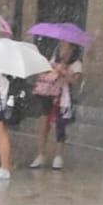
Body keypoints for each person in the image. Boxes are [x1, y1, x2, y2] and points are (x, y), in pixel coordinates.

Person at [30, 42, 84, 170]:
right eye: (61, 47)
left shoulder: (76, 64)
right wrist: (53, 69)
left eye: (66, 47)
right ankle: (40, 154)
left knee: (60, 126)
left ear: (72, 49)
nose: (63, 50)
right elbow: (46, 74)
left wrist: (64, 72)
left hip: (63, 98)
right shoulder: (53, 60)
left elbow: (75, 81)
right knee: (43, 125)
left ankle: (58, 156)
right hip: (48, 95)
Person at [0, 71, 21, 180]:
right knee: (5, 136)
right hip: (9, 107)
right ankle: (7, 163)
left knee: (1, 138)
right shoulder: (15, 74)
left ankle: (4, 168)